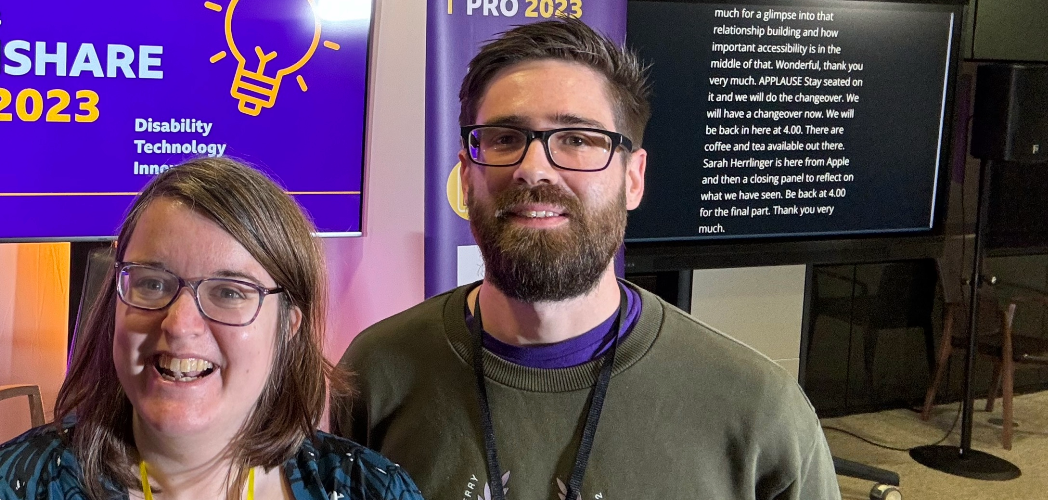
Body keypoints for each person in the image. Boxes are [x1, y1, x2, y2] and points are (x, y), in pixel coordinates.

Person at [332, 18, 840, 500]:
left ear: (633, 177)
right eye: (506, 138)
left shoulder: (758, 409)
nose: (533, 169)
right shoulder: (377, 374)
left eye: (576, 139)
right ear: (467, 176)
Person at [0, 157, 422, 500]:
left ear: (288, 326)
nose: (179, 324)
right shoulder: (4, 488)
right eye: (153, 283)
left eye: (230, 292)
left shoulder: (373, 490)